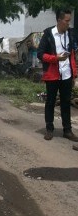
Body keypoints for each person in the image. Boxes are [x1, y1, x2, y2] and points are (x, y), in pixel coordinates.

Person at [37, 9, 78, 142]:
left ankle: (67, 130)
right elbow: (40, 54)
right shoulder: (48, 34)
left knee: (66, 102)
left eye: (69, 21)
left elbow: (72, 54)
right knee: (50, 102)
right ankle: (49, 129)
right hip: (52, 74)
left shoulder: (70, 34)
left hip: (66, 74)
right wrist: (55, 58)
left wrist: (74, 74)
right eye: (66, 21)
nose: (68, 23)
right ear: (59, 20)